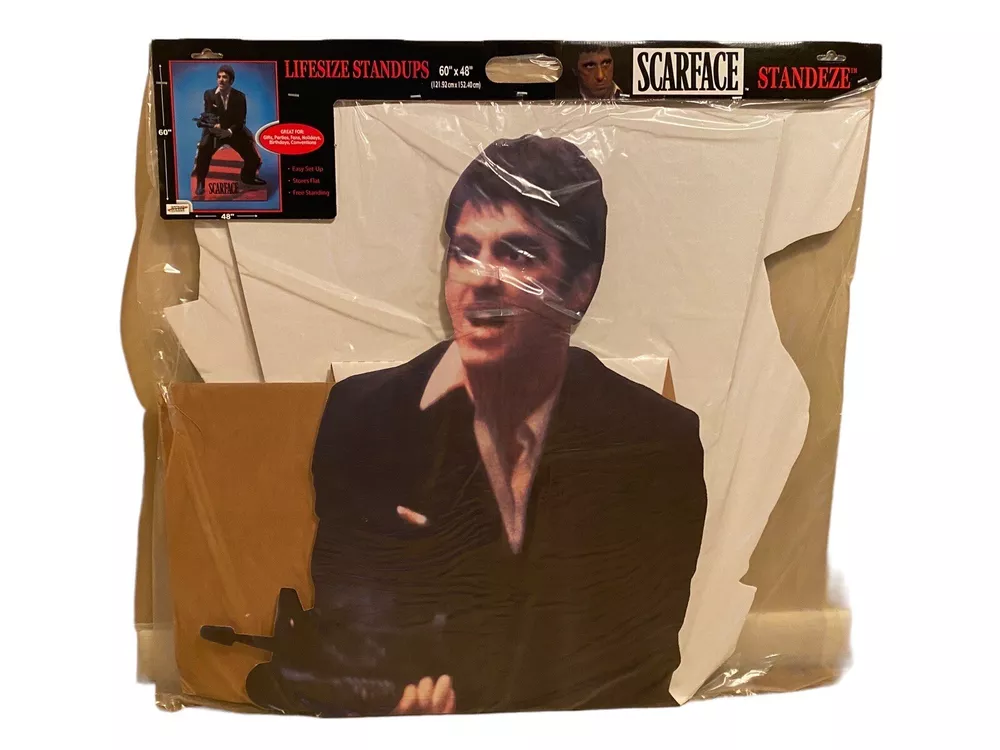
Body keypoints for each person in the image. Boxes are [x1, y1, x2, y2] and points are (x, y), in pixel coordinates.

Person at [243, 135, 708, 716]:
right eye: (466, 252)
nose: (482, 278)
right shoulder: (364, 417)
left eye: (519, 254)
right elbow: (359, 616)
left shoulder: (655, 442)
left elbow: (627, 649)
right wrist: (394, 706)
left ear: (580, 287)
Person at [192, 64, 266, 197]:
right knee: (203, 149)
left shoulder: (240, 97)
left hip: (233, 131)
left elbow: (240, 120)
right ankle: (200, 182)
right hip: (215, 132)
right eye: (219, 77)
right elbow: (208, 114)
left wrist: (229, 131)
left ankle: (247, 177)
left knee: (253, 157)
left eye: (225, 77)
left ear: (231, 81)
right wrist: (214, 126)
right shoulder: (209, 94)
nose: (221, 80)